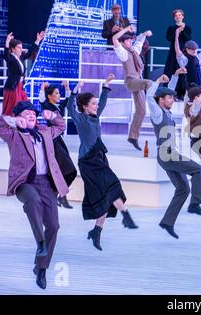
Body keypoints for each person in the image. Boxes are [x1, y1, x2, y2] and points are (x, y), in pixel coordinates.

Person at [0, 101, 68, 290]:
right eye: (27, 113)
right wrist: (12, 121)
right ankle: (39, 241)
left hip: (46, 183)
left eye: (33, 113)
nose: (32, 115)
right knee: (32, 200)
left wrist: (53, 116)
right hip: (24, 183)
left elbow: (61, 125)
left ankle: (41, 268)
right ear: (20, 117)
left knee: (54, 226)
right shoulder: (13, 135)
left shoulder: (45, 132)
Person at [67, 74, 138, 251]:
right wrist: (75, 91)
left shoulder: (94, 116)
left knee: (105, 196)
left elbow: (103, 103)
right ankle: (126, 215)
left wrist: (106, 86)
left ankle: (96, 231)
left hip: (99, 157)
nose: (96, 106)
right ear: (85, 107)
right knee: (112, 185)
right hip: (88, 162)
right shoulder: (81, 118)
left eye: (95, 104)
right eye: (93, 104)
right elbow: (69, 107)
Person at [146, 74, 201, 239]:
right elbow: (149, 97)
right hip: (166, 154)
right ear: (161, 100)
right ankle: (196, 204)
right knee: (198, 170)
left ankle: (167, 222)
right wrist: (157, 82)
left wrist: (174, 77)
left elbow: (169, 91)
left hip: (169, 154)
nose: (173, 100)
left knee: (183, 189)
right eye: (169, 98)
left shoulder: (166, 112)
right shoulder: (157, 113)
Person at [113, 25, 153, 151]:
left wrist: (145, 33)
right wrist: (125, 30)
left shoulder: (134, 51)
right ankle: (160, 99)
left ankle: (133, 137)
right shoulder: (123, 53)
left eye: (131, 40)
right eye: (128, 40)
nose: (130, 41)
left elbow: (140, 40)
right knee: (150, 83)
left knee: (141, 111)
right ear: (123, 43)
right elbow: (114, 39)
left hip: (138, 81)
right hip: (131, 81)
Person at [38, 81, 77, 209]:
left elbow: (68, 100)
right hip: (52, 141)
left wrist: (67, 88)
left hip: (58, 141)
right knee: (61, 171)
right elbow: (42, 101)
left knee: (70, 171)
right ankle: (59, 197)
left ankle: (60, 196)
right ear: (50, 96)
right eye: (56, 93)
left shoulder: (57, 107)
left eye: (59, 93)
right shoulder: (47, 106)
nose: (58, 95)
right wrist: (42, 89)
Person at [2, 31, 45, 116]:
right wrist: (7, 42)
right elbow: (6, 56)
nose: (21, 50)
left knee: (27, 104)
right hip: (13, 87)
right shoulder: (11, 59)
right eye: (18, 48)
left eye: (21, 48)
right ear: (12, 49)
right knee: (13, 108)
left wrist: (37, 41)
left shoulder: (21, 57)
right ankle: (12, 126)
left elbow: (29, 53)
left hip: (20, 86)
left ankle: (26, 125)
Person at [164, 9, 192, 99]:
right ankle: (168, 93)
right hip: (173, 53)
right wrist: (176, 32)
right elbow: (168, 38)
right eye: (176, 16)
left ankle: (181, 94)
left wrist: (182, 30)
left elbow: (188, 38)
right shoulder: (171, 28)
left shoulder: (187, 28)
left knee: (182, 72)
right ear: (174, 18)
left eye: (179, 15)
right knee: (170, 71)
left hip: (183, 53)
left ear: (182, 16)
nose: (178, 17)